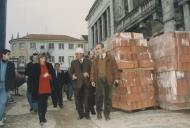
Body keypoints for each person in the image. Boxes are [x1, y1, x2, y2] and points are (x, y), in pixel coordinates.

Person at [91, 43, 119, 121]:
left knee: (108, 98)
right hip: (99, 80)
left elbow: (115, 69)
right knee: (99, 97)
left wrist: (116, 78)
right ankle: (99, 112)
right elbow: (92, 71)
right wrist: (92, 80)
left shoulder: (111, 58)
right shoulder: (95, 60)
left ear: (103, 49)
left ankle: (107, 114)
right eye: (96, 49)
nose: (97, 50)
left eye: (98, 48)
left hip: (108, 80)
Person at [31, 53, 56, 124]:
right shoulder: (35, 66)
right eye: (41, 58)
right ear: (39, 59)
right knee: (40, 104)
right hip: (39, 88)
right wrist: (43, 76)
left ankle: (43, 116)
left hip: (47, 87)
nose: (43, 59)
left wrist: (48, 75)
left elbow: (53, 76)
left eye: (44, 58)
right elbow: (33, 78)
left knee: (45, 104)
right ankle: (41, 118)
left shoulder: (48, 65)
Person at [69, 48, 91, 120]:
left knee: (87, 100)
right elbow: (70, 72)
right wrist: (72, 76)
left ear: (82, 54)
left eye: (78, 54)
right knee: (78, 101)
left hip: (86, 84)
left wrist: (88, 74)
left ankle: (87, 114)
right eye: (76, 54)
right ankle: (80, 114)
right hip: (77, 85)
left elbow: (93, 71)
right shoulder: (73, 62)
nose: (77, 55)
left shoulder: (88, 61)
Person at [0, 49, 15, 126]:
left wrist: (12, 89)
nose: (10, 56)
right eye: (8, 54)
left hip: (5, 86)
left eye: (9, 54)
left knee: (3, 102)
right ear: (3, 54)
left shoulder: (11, 64)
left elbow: (12, 77)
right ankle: (2, 115)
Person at [88, 50, 96, 115]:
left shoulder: (96, 61)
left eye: (93, 54)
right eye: (91, 54)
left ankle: (93, 106)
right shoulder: (87, 62)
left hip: (97, 81)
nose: (92, 55)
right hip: (89, 81)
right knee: (90, 96)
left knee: (95, 95)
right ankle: (91, 108)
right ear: (89, 55)